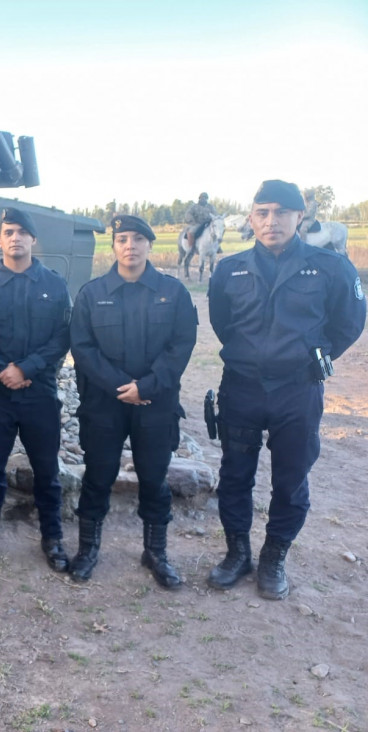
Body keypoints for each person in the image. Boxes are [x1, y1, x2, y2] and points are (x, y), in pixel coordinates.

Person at [207, 180, 365, 600]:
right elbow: (224, 323)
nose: (270, 221)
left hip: (297, 390)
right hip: (241, 388)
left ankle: (274, 557)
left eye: (280, 212)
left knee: (291, 479)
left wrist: (313, 353)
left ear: (300, 217)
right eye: (262, 212)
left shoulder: (331, 267)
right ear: (252, 218)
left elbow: (349, 323)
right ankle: (237, 553)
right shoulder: (230, 268)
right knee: (235, 475)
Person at [68, 214, 197, 588]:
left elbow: (181, 346)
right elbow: (83, 348)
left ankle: (156, 552)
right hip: (104, 404)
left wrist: (149, 387)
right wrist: (122, 386)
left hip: (155, 404)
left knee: (154, 479)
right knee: (98, 476)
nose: (130, 246)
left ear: (150, 245)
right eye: (122, 239)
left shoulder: (173, 292)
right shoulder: (92, 293)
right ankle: (88, 549)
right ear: (114, 246)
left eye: (138, 239)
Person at [0, 207, 72, 570]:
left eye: (23, 232)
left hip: (38, 394)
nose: (16, 237)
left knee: (47, 471)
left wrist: (26, 368)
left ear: (33, 239)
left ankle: (52, 537)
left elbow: (61, 338)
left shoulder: (54, 286)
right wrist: (2, 372)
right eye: (9, 231)